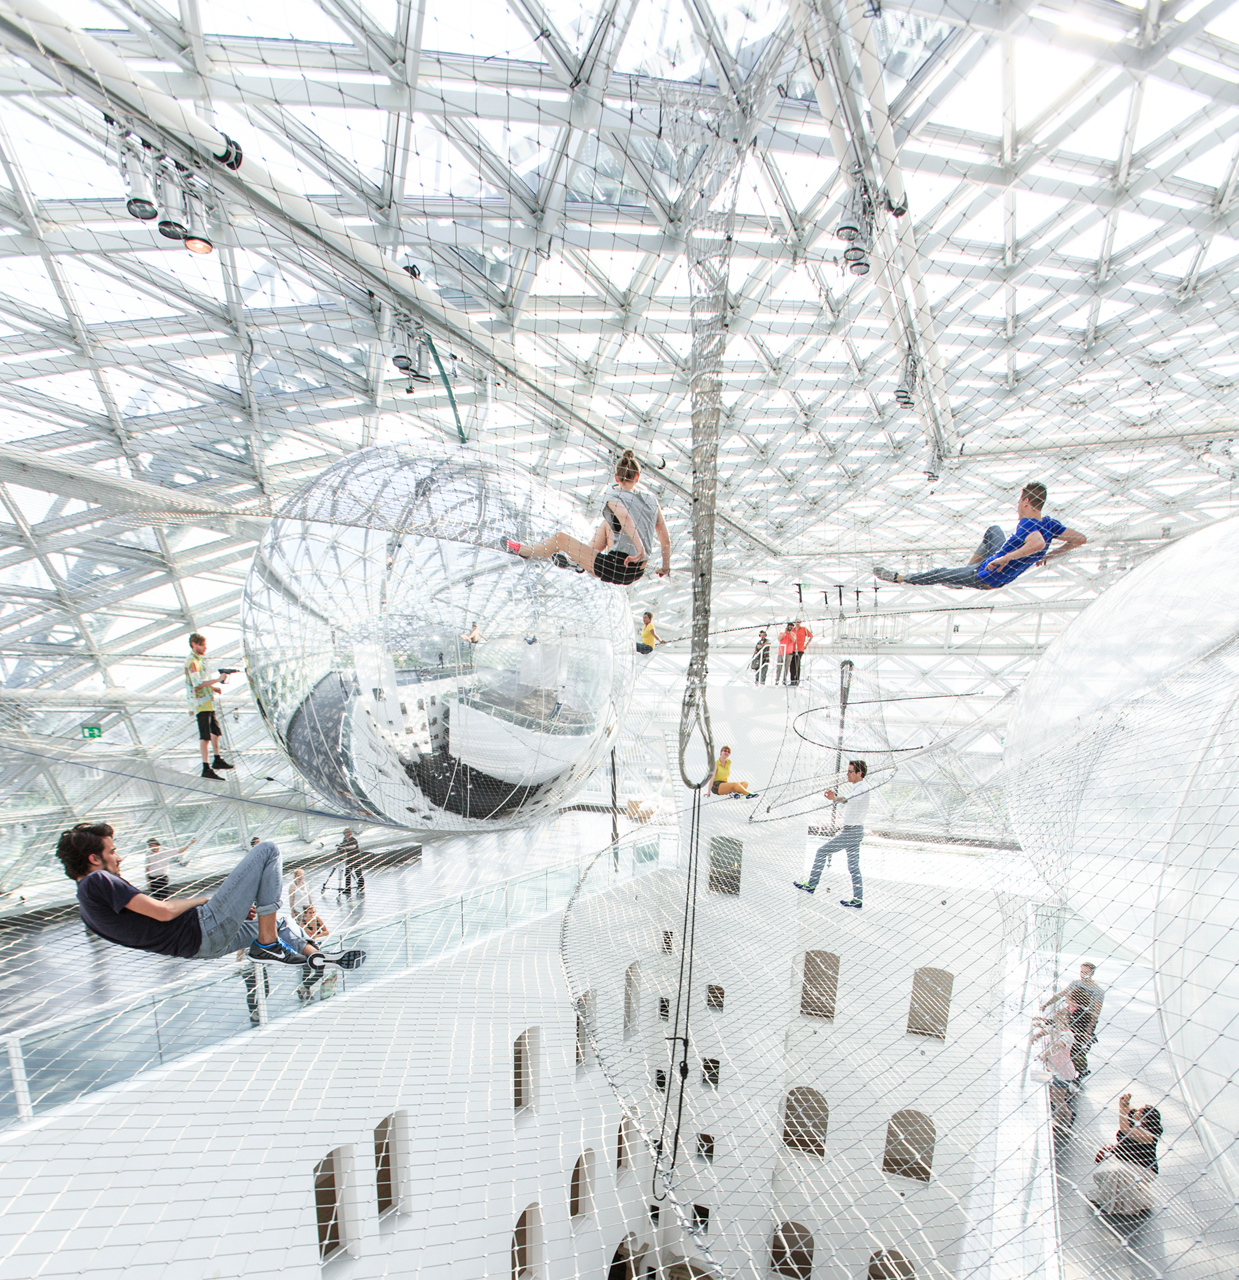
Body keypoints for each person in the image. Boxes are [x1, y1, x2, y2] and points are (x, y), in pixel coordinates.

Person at [57, 822, 364, 972]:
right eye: (112, 852)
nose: (119, 857)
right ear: (94, 859)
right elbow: (162, 911)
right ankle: (267, 944)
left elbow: (149, 926)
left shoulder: (87, 911)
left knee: (281, 919)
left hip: (201, 948)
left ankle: (315, 955)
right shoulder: (98, 880)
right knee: (268, 850)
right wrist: (202, 900)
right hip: (203, 926)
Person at [504, 450, 671, 586]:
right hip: (637, 572)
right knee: (608, 524)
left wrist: (640, 550)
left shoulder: (614, 495)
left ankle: (523, 551)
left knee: (560, 539)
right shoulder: (651, 501)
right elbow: (665, 540)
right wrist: (665, 567)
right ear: (637, 477)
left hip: (617, 567)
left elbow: (626, 519)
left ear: (616, 478)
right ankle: (579, 563)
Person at [873, 483, 1086, 589]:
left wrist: (1004, 558)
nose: (1018, 505)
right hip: (993, 564)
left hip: (987, 576)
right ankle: (963, 572)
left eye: (1020, 501)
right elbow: (1080, 539)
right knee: (994, 531)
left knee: (940, 573)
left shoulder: (1027, 523)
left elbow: (1037, 543)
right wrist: (1052, 554)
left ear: (1027, 502)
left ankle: (899, 578)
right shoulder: (1049, 524)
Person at [794, 760, 870, 907]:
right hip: (855, 831)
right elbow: (848, 800)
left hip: (852, 832)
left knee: (822, 851)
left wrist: (835, 798)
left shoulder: (861, 788)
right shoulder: (859, 788)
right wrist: (835, 798)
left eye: (850, 771)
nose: (847, 774)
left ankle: (811, 885)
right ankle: (858, 900)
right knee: (854, 867)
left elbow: (847, 799)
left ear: (859, 773)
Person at [1090, 1094, 1162, 1216]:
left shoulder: (1149, 1136)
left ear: (1144, 1119)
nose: (1136, 1111)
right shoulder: (1135, 1118)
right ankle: (1134, 1197)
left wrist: (1121, 1108)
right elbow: (1127, 1107)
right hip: (1127, 1162)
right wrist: (1124, 1103)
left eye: (1140, 1111)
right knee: (1105, 1174)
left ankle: (1128, 1206)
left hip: (1144, 1169)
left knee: (1118, 1173)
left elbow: (1125, 1131)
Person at [185, 632, 235, 780]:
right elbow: (198, 684)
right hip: (200, 703)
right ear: (194, 644)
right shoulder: (192, 662)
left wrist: (213, 688)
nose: (204, 647)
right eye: (202, 645)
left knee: (215, 731)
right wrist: (218, 679)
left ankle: (216, 759)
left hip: (207, 701)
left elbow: (202, 682)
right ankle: (205, 767)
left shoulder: (199, 661)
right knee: (205, 735)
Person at [1043, 962, 1105, 1077]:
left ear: (1092, 973)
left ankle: (1081, 1070)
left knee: (1076, 1048)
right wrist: (1046, 1004)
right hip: (1071, 1017)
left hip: (1083, 1022)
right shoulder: (1076, 983)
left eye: (1086, 972)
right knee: (1067, 1045)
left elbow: (1096, 1013)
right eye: (1082, 972)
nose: (1083, 974)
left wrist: (1088, 1031)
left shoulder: (1098, 991)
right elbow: (1062, 994)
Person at [1031, 1009, 1079, 1132]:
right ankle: (1063, 1116)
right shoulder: (1055, 1027)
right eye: (1058, 1017)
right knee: (1054, 1096)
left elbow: (1057, 1045)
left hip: (1064, 1072)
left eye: (1063, 1018)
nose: (1060, 1020)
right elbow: (1045, 1030)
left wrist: (1045, 1054)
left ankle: (1064, 1117)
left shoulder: (1068, 1035)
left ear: (1068, 1020)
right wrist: (1036, 1035)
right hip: (1054, 1069)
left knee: (1057, 1098)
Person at [145, 834, 196, 900]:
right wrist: (148, 880)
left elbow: (180, 851)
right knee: (156, 897)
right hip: (153, 878)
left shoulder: (165, 850)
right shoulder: (148, 853)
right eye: (150, 846)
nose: (151, 848)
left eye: (152, 846)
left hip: (162, 877)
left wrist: (190, 843)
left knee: (165, 896)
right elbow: (147, 867)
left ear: (157, 845)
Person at [289, 867, 330, 939]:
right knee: (302, 925)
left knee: (312, 922)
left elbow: (308, 896)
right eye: (298, 875)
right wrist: (292, 911)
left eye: (302, 875)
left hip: (307, 907)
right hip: (298, 909)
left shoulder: (305, 884)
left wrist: (312, 905)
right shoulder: (293, 885)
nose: (300, 877)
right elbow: (291, 899)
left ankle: (314, 936)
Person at [338, 828, 364, 895]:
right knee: (347, 873)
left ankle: (361, 886)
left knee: (358, 872)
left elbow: (353, 847)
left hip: (356, 858)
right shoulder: (344, 840)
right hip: (349, 858)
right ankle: (347, 888)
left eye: (346, 834)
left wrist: (345, 847)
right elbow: (343, 844)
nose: (345, 836)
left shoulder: (353, 840)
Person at [788, 619, 813, 686]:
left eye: (798, 622)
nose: (797, 624)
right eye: (796, 622)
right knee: (792, 665)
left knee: (797, 663)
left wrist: (806, 645)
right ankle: (792, 680)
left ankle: (797, 679)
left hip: (800, 649)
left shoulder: (804, 629)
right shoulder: (792, 630)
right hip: (792, 649)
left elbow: (810, 636)